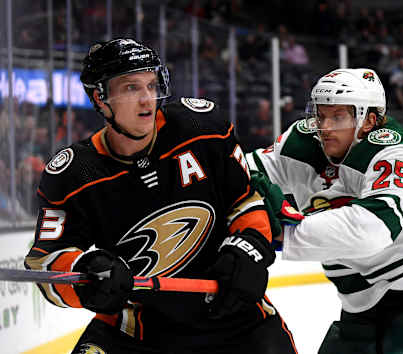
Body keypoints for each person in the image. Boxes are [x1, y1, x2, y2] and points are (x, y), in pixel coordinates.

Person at [24, 38, 297, 354]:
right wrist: (86, 274)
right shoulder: (74, 174)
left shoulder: (202, 129)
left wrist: (246, 249)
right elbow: (46, 265)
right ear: (100, 98)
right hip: (140, 331)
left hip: (234, 317)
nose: (147, 99)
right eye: (131, 88)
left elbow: (245, 201)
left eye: (152, 84)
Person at [247, 68, 403, 353]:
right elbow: (238, 173)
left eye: (339, 116)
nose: (326, 126)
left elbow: (369, 230)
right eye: (321, 115)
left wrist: (283, 233)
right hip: (366, 308)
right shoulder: (300, 142)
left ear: (369, 120)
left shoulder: (393, 152)